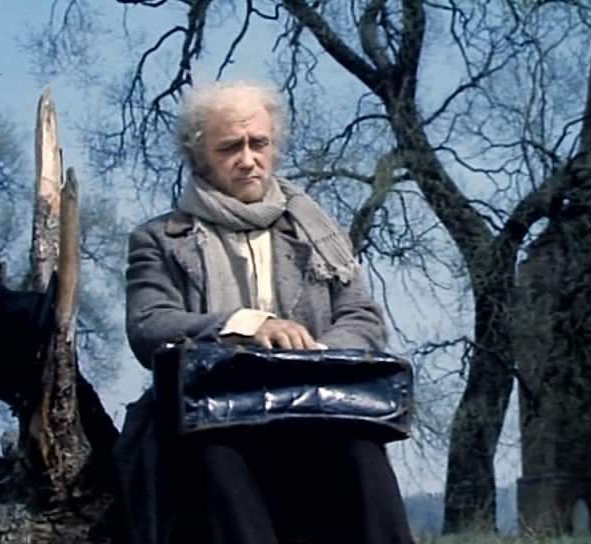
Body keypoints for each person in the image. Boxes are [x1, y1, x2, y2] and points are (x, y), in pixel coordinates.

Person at [123, 81, 414, 544]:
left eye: (258, 143)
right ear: (198, 158)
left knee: (363, 450)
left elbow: (362, 316)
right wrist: (245, 326)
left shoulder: (317, 233)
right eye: (229, 148)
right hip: (209, 416)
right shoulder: (160, 239)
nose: (247, 159)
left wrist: (315, 358)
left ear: (273, 146)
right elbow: (149, 325)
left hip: (313, 409)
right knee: (215, 457)